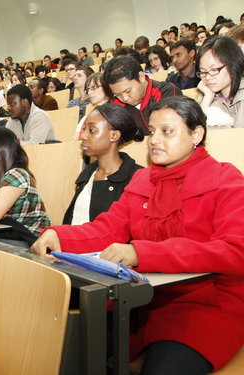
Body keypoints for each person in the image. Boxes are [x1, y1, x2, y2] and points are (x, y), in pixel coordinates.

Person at [31, 96, 244, 374]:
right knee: (65, 348)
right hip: (141, 300)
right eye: (152, 132)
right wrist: (59, 236)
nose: (155, 140)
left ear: (197, 134)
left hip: (204, 305)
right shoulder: (143, 180)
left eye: (167, 131)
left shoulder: (225, 179)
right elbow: (108, 228)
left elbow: (234, 251)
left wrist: (142, 253)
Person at [63, 103, 143, 225]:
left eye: (92, 130)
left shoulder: (136, 179)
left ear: (114, 136)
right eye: (84, 129)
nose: (83, 135)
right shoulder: (87, 174)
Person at [105, 56, 181, 132]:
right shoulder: (115, 105)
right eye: (117, 95)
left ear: (141, 76)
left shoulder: (166, 92)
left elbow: (171, 131)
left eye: (128, 91)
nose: (125, 98)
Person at [196, 36, 244, 127]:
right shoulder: (205, 96)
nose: (207, 77)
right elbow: (195, 134)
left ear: (233, 65)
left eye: (214, 69)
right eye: (203, 71)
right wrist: (207, 98)